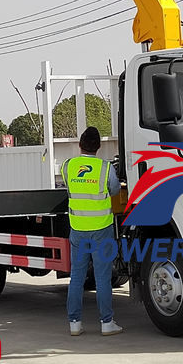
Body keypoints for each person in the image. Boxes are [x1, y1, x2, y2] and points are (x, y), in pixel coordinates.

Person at [61, 126, 123, 337]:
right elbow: (114, 190)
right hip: (101, 230)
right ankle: (107, 323)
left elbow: (68, 188)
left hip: (78, 229)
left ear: (80, 144)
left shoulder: (68, 166)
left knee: (77, 277)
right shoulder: (106, 168)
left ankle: (74, 323)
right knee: (102, 278)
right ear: (98, 147)